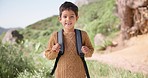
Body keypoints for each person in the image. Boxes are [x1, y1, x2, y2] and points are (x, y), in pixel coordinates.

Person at [44, 1, 94, 78]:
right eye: (65, 16)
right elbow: (48, 56)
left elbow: (90, 52)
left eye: (72, 16)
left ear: (77, 18)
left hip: (79, 75)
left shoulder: (83, 35)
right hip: (61, 75)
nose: (68, 19)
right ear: (60, 19)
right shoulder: (55, 36)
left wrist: (87, 51)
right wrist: (54, 51)